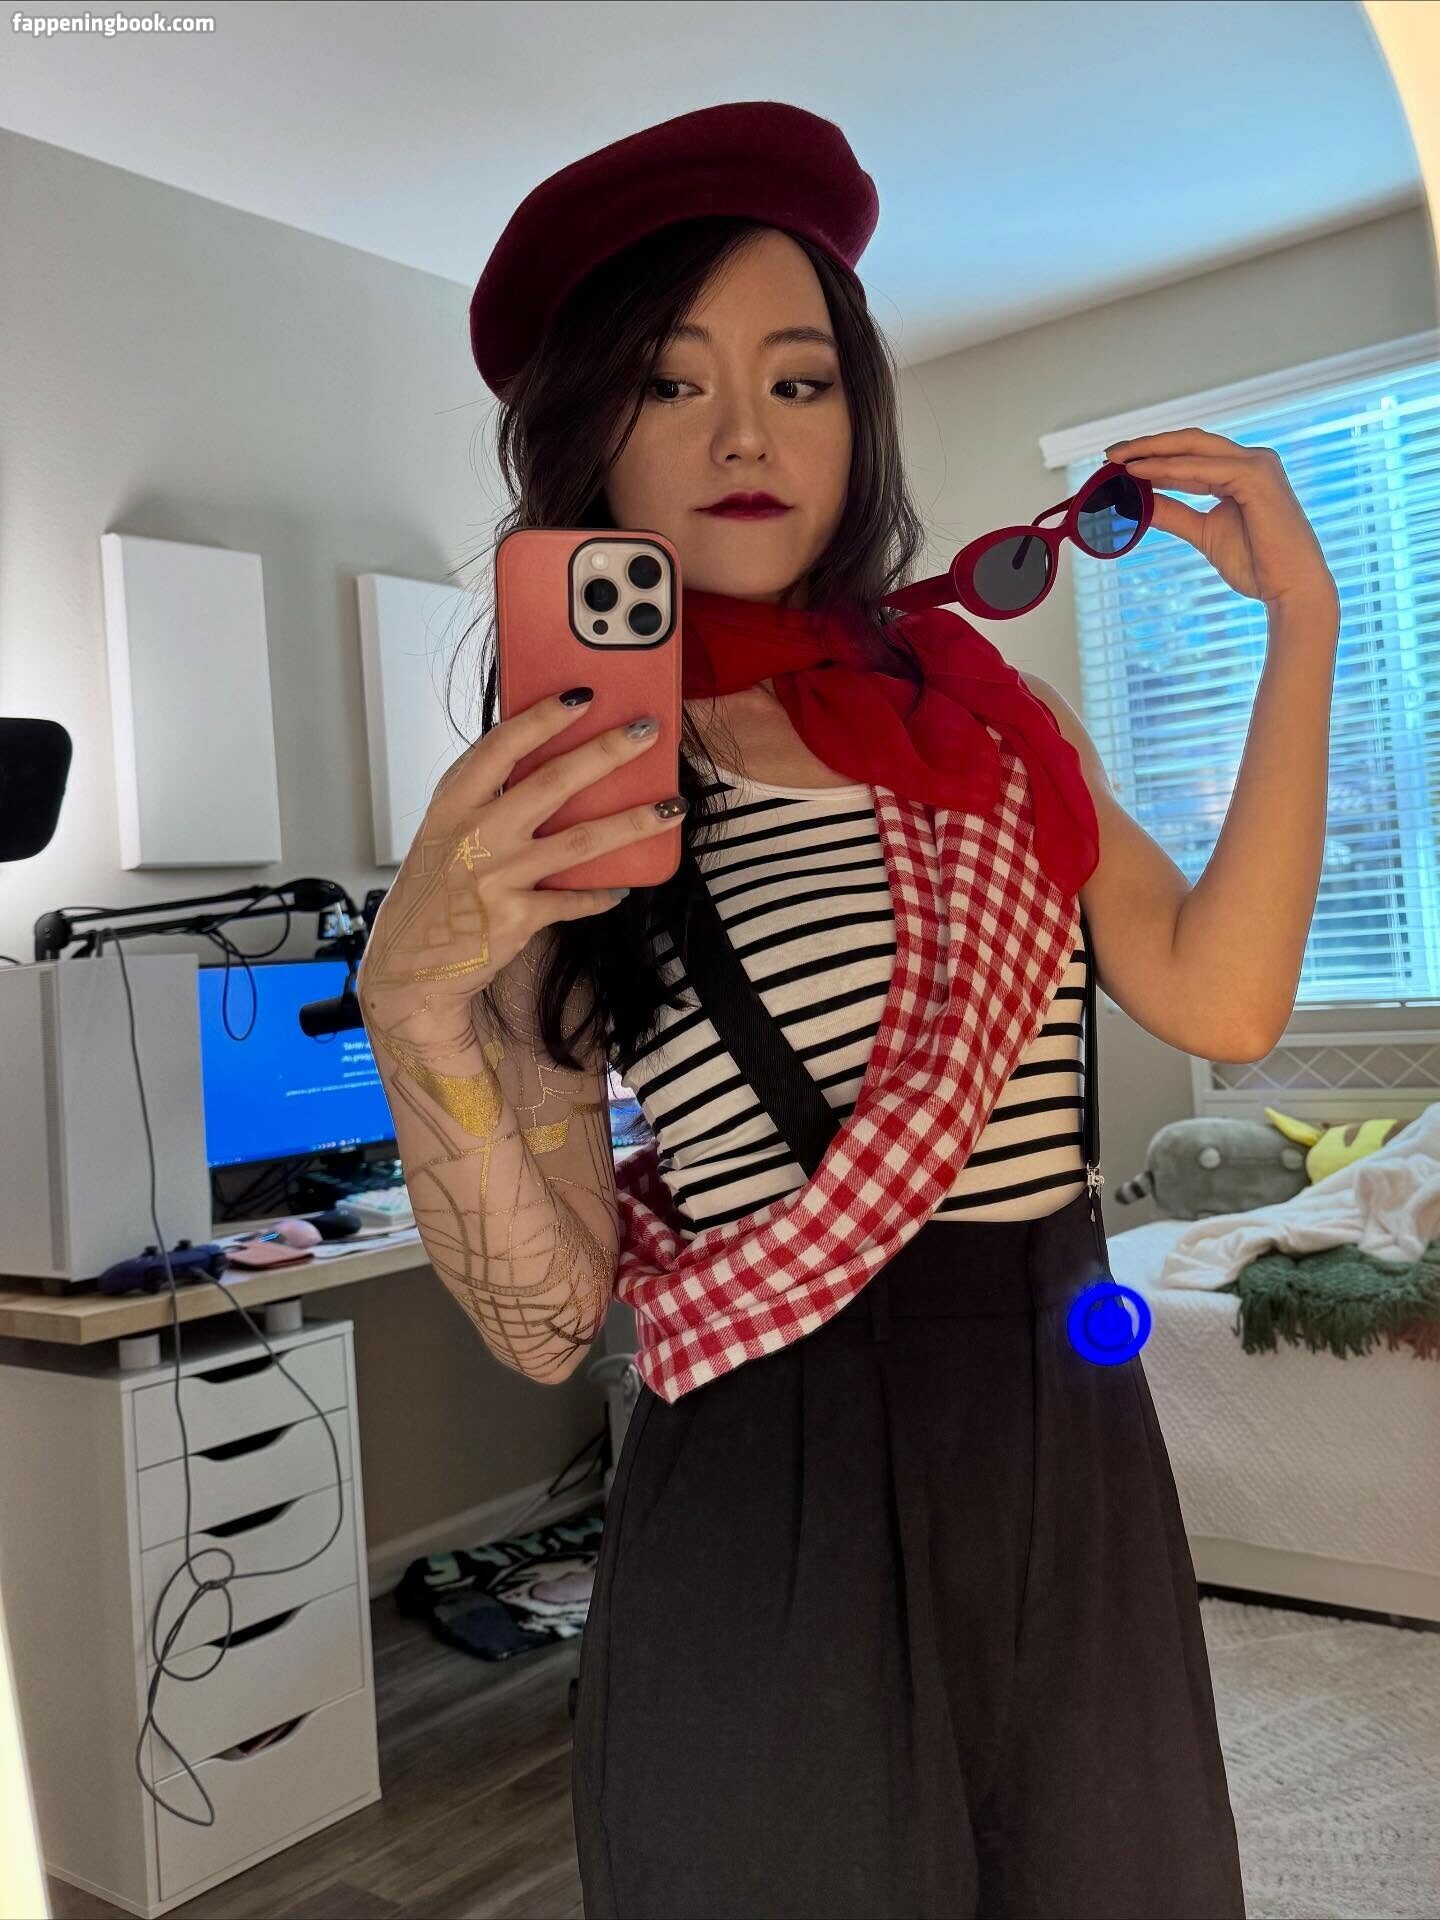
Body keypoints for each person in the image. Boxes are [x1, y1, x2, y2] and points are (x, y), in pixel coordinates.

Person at [418, 100, 1249, 1919]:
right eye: (669, 382)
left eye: (799, 380)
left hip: (1069, 1423)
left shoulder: (992, 719)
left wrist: (1311, 633)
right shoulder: (564, 801)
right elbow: (550, 1328)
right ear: (589, 439)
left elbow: (1225, 996)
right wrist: (416, 1012)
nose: (745, 434)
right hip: (768, 1474)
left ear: (856, 417)